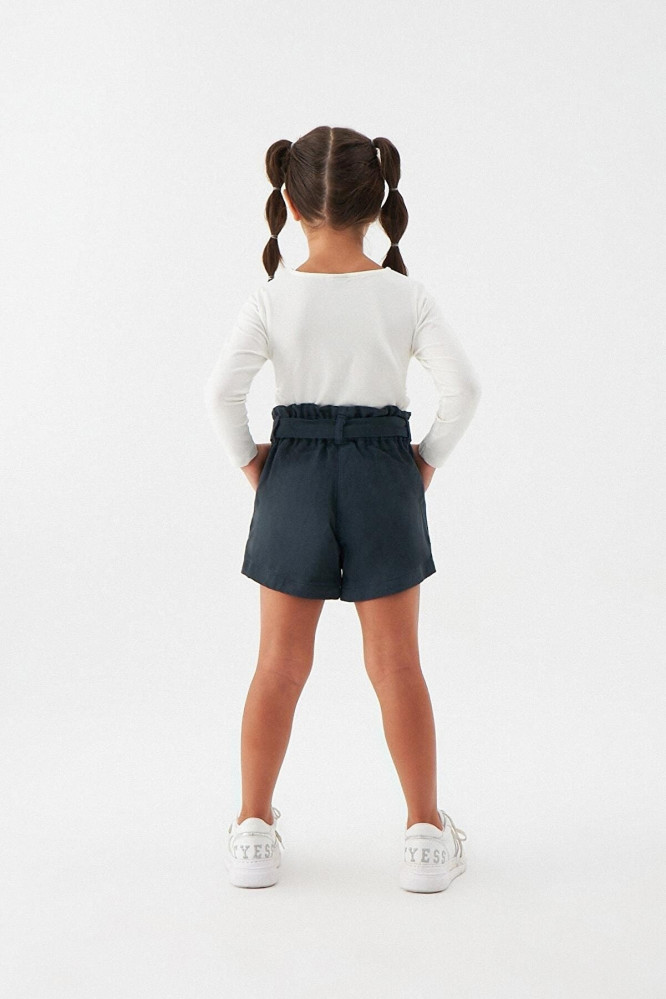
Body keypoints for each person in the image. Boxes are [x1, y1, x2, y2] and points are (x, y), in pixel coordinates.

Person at [204, 126, 481, 893]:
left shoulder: (272, 297)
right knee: (396, 665)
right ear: (377, 203)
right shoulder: (406, 294)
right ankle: (424, 836)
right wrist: (421, 463)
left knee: (278, 664)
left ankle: (252, 830)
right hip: (382, 471)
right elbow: (463, 389)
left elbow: (221, 393)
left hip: (293, 471)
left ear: (291, 205)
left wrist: (256, 466)